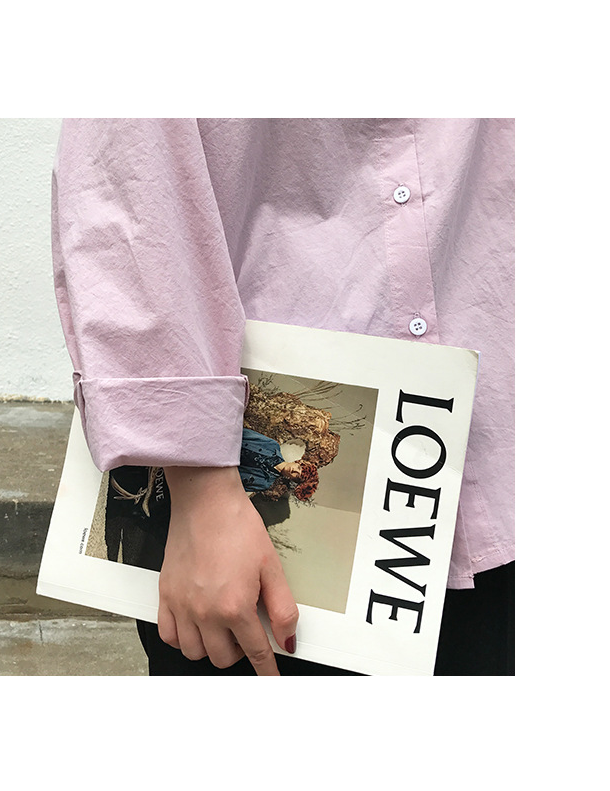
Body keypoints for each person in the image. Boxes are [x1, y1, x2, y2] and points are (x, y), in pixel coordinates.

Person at [51, 118, 515, 676]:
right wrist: (200, 488)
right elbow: (125, 179)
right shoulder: (273, 461)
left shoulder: (281, 463)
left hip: (501, 454)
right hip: (231, 543)